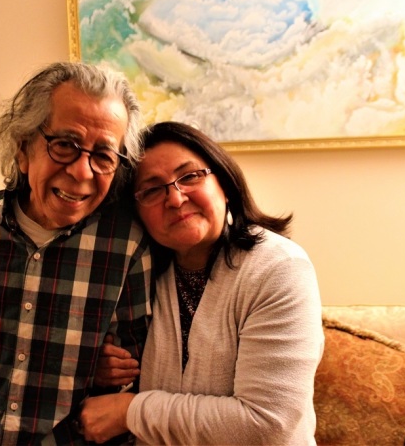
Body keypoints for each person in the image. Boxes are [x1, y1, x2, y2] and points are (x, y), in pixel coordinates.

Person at [0, 61, 152, 445]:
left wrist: (90, 370)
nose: (82, 171)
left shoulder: (127, 247)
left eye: (103, 156)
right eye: (64, 146)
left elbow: (136, 379)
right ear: (23, 148)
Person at [78, 121, 324, 445]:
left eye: (190, 176)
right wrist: (100, 372)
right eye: (152, 190)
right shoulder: (141, 274)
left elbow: (266, 424)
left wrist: (131, 411)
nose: (176, 199)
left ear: (223, 181)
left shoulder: (280, 269)